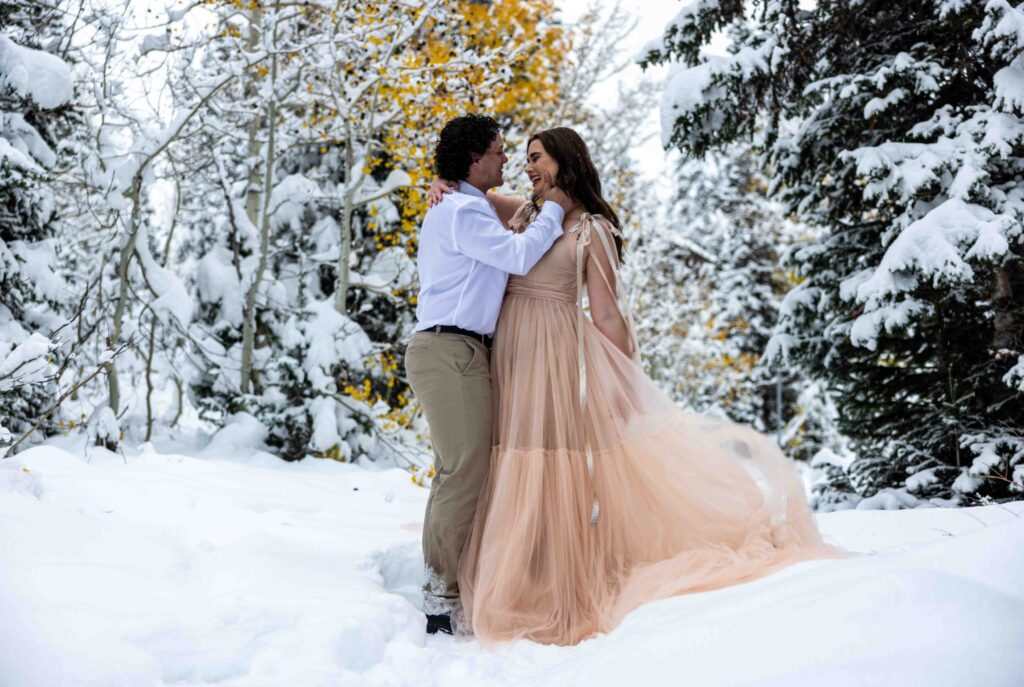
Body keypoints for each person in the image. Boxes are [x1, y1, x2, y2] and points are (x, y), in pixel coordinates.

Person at [428, 127, 851, 646]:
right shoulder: (524, 214)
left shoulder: (591, 230)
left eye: (536, 159)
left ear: (566, 162)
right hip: (507, 358)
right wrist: (440, 181)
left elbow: (607, 315)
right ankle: (507, 572)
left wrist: (626, 381)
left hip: (554, 359)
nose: (526, 167)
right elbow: (471, 199)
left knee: (547, 462)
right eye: (521, 159)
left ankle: (550, 587)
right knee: (507, 462)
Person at [405, 115, 575, 636]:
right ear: (474, 159)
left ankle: (442, 581)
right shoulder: (462, 212)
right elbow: (520, 255)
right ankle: (439, 595)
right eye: (500, 151)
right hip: (450, 348)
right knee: (464, 472)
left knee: (456, 470)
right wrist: (556, 211)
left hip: (460, 350)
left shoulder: (465, 204)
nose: (508, 160)